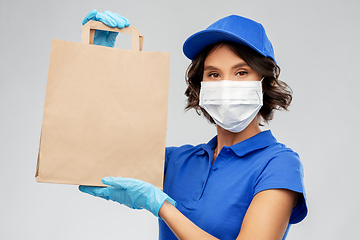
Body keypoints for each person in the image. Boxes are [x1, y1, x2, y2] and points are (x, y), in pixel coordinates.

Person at [79, 10, 308, 240]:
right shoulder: (177, 161)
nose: (226, 85)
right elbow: (93, 154)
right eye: (214, 75)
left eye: (241, 72)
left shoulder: (278, 164)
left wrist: (163, 207)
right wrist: (99, 65)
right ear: (201, 87)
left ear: (264, 83)